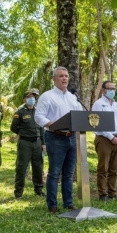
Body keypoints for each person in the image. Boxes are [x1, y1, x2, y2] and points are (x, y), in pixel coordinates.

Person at [35, 66, 83, 214]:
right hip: (55, 137)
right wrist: (53, 125)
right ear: (54, 79)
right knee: (54, 173)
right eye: (61, 76)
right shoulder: (47, 96)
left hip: (71, 138)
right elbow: (39, 116)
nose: (64, 79)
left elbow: (79, 115)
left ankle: (68, 203)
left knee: (69, 173)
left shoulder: (73, 97)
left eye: (66, 76)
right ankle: (52, 205)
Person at [91, 81, 117, 201]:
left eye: (113, 88)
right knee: (103, 168)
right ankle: (102, 194)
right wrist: (111, 137)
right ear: (103, 90)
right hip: (104, 139)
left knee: (114, 168)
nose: (112, 91)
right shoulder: (98, 104)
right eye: (109, 88)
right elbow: (97, 124)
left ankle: (112, 193)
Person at [10, 89, 46, 199]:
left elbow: (41, 128)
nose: (32, 99)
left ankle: (39, 189)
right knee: (22, 167)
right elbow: (13, 127)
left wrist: (43, 143)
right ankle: (18, 192)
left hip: (37, 143)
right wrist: (23, 134)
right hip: (25, 143)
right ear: (25, 99)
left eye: (34, 97)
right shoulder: (20, 111)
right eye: (30, 97)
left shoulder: (37, 111)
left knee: (38, 166)